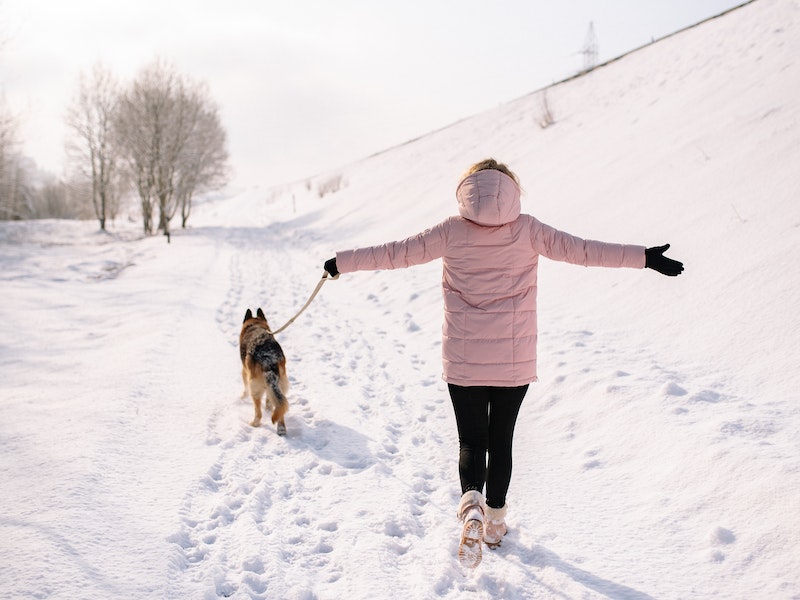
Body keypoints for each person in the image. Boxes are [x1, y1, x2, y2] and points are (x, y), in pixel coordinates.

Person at [322, 158, 683, 568]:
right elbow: (584, 251)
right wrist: (644, 257)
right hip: (513, 360)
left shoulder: (449, 231)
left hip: (463, 358)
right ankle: (494, 524)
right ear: (512, 190)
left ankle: (470, 503)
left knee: (471, 441)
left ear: (468, 190)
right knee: (501, 440)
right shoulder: (529, 229)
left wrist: (341, 263)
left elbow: (394, 254)